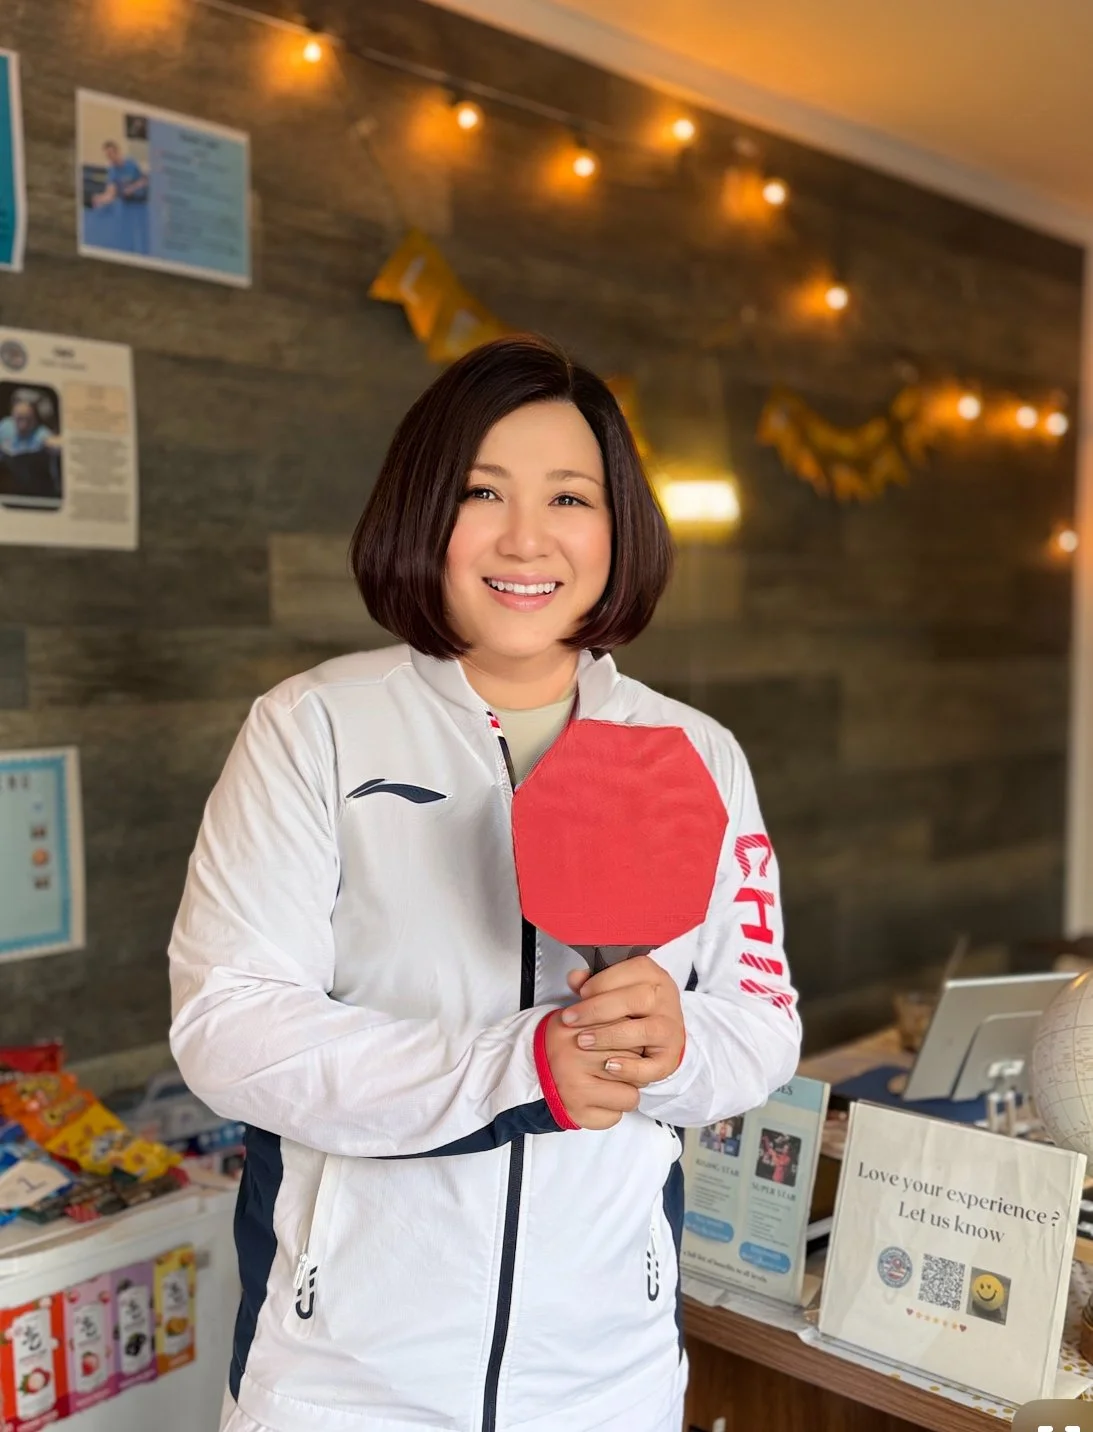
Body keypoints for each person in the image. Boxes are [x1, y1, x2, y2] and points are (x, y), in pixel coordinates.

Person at [168, 334, 801, 1432]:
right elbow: (229, 1027)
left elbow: (762, 1027)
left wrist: (678, 1041)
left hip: (606, 1375)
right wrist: (518, 1066)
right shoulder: (310, 728)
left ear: (618, 529)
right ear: (423, 512)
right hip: (345, 1381)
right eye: (480, 491)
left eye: (570, 496)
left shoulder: (696, 751)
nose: (526, 537)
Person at [90, 140, 149, 254]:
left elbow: (144, 180)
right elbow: (110, 193)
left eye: (111, 153)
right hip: (127, 203)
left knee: (142, 235)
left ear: (117, 152)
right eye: (107, 155)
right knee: (125, 235)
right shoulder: (112, 170)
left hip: (141, 201)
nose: (110, 157)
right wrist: (100, 198)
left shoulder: (131, 163)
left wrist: (132, 188)